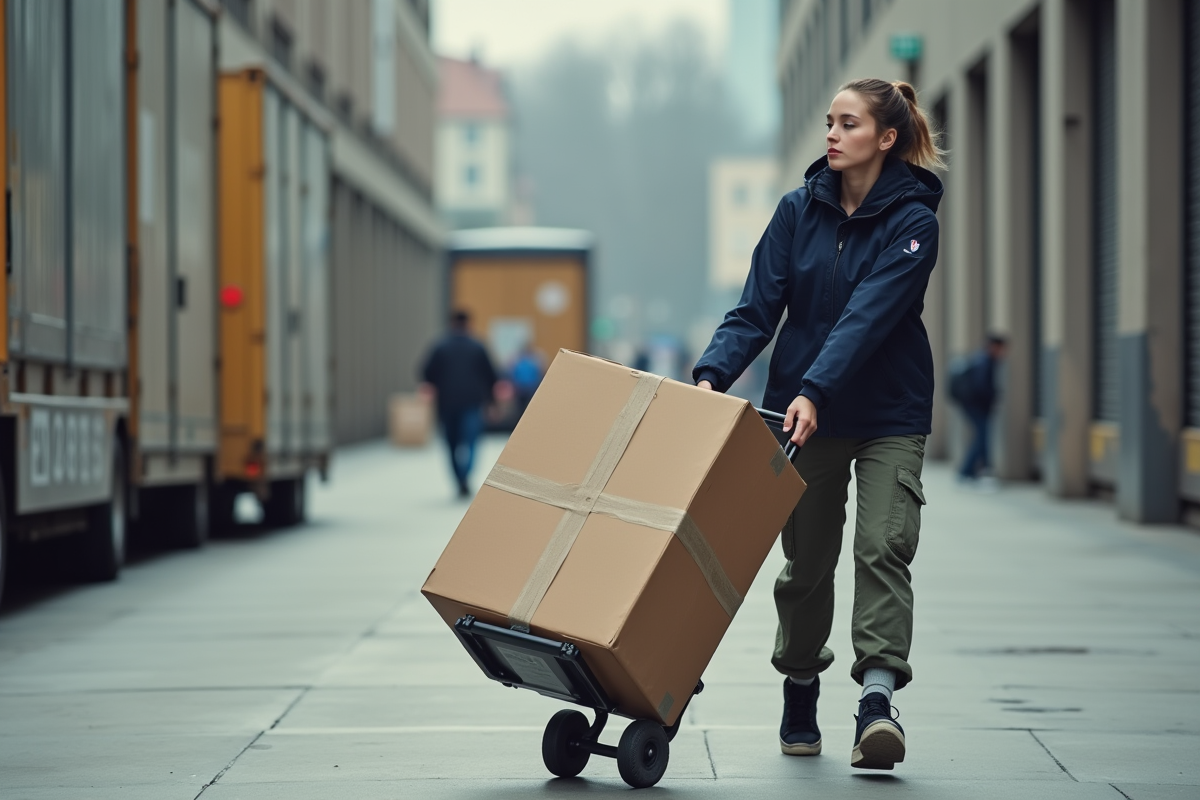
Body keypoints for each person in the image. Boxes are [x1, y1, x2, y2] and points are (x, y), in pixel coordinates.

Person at [693, 78, 945, 771]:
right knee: (807, 564)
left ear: (886, 138)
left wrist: (814, 387)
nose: (831, 134)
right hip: (805, 420)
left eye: (848, 123)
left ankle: (876, 700)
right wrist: (712, 374)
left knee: (883, 546)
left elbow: (869, 316)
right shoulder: (796, 211)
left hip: (887, 412)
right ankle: (800, 684)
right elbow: (755, 310)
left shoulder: (914, 221)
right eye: (829, 121)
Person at [420, 310, 499, 498]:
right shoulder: (478, 346)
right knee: (471, 442)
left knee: (451, 444)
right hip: (472, 402)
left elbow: (426, 372)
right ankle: (466, 475)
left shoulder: (440, 346)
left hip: (447, 403)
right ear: (469, 323)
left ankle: (458, 478)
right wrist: (492, 402)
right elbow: (491, 376)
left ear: (452, 323)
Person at [952, 334, 1007, 487]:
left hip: (973, 406)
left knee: (980, 438)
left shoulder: (981, 359)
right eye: (1001, 348)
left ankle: (969, 472)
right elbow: (981, 387)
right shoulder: (985, 361)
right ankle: (968, 472)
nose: (1003, 352)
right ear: (994, 346)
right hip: (976, 406)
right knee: (982, 438)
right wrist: (992, 396)